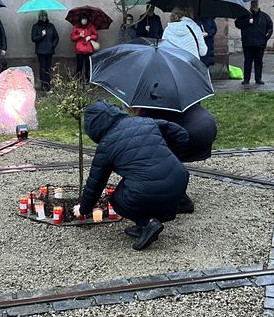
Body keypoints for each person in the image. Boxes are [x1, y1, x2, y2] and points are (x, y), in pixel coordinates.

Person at [77, 100, 190, 250]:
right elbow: (181, 134)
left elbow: (95, 184)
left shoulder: (106, 146)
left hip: (148, 188)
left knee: (118, 199)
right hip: (180, 178)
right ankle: (172, 208)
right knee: (143, 182)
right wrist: (165, 152)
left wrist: (83, 209)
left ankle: (147, 224)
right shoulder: (145, 122)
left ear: (93, 127)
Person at [135, 103, 218, 214]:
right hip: (206, 125)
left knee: (156, 157)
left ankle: (181, 201)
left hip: (193, 134)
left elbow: (143, 135)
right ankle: (170, 193)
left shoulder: (148, 108)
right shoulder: (168, 98)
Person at [235, 0, 273, 85]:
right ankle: (246, 79)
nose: (255, 6)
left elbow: (270, 27)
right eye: (253, 5)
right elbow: (237, 23)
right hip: (248, 43)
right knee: (248, 62)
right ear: (251, 5)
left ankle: (258, 79)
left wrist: (266, 38)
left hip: (260, 44)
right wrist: (247, 22)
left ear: (258, 5)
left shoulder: (264, 16)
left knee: (258, 62)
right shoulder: (245, 15)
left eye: (256, 5)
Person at [31, 10, 59, 91]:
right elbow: (33, 38)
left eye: (45, 16)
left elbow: (56, 37)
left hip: (49, 50)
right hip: (41, 51)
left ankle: (48, 83)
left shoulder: (51, 26)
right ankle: (43, 84)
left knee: (48, 67)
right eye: (42, 16)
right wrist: (41, 35)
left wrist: (53, 45)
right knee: (42, 68)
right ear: (39, 17)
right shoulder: (36, 26)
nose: (43, 18)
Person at [70, 16, 98, 81]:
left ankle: (87, 81)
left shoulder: (91, 26)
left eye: (85, 19)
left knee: (88, 67)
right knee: (79, 67)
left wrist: (90, 37)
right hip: (80, 50)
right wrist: (79, 35)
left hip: (89, 50)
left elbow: (96, 35)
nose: (84, 21)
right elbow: (72, 37)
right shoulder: (76, 27)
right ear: (80, 20)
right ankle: (78, 82)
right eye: (83, 19)